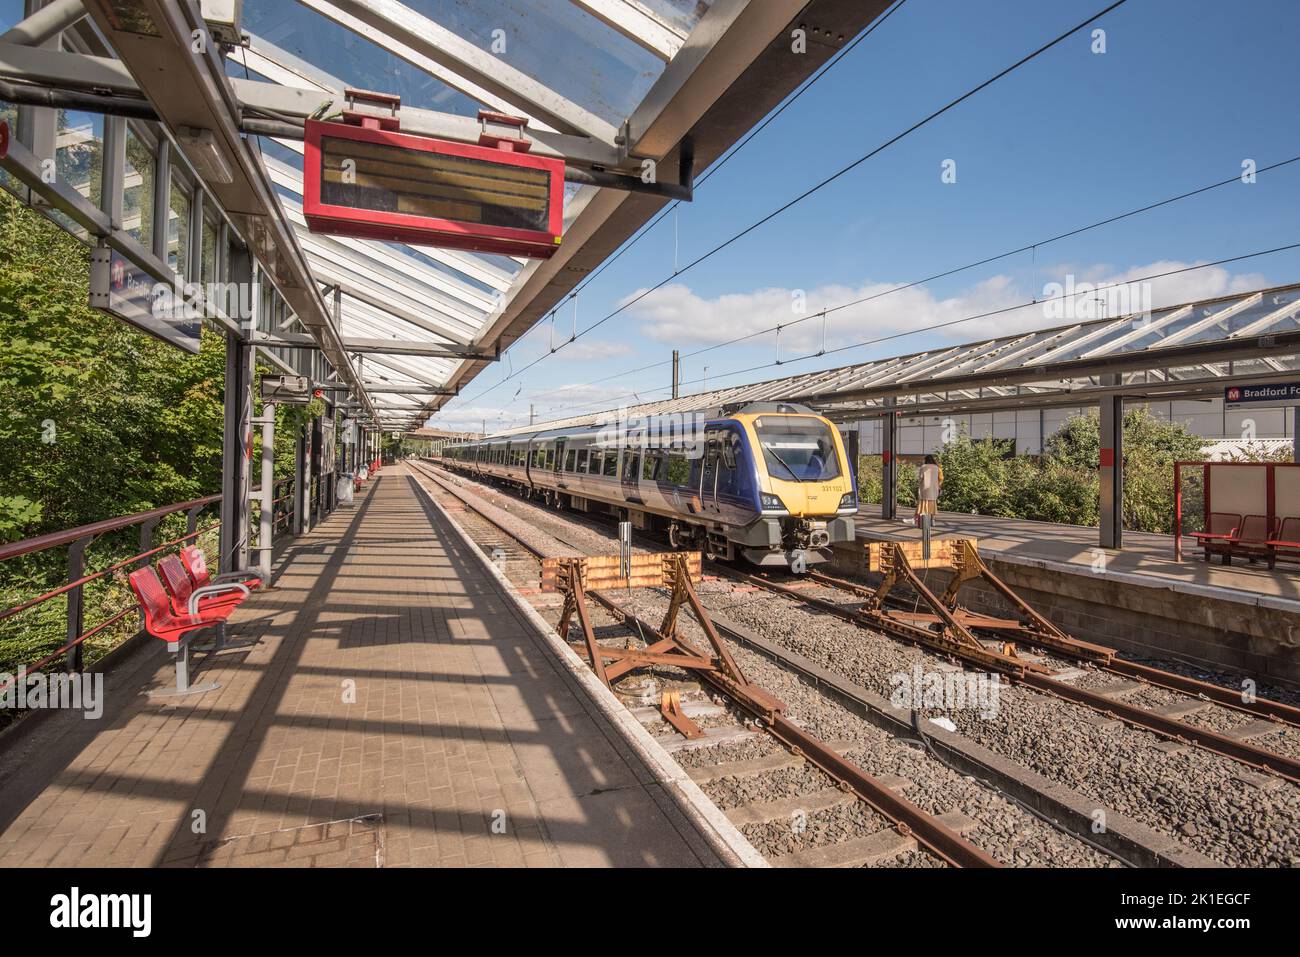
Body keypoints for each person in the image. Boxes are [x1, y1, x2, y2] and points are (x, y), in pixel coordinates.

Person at [915, 454, 942, 526]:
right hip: (933, 489)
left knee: (923, 504)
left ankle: (922, 521)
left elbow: (920, 478)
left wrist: (919, 484)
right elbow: (941, 478)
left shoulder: (923, 467)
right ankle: (932, 520)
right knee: (932, 504)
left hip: (924, 489)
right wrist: (938, 484)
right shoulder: (937, 468)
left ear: (926, 460)